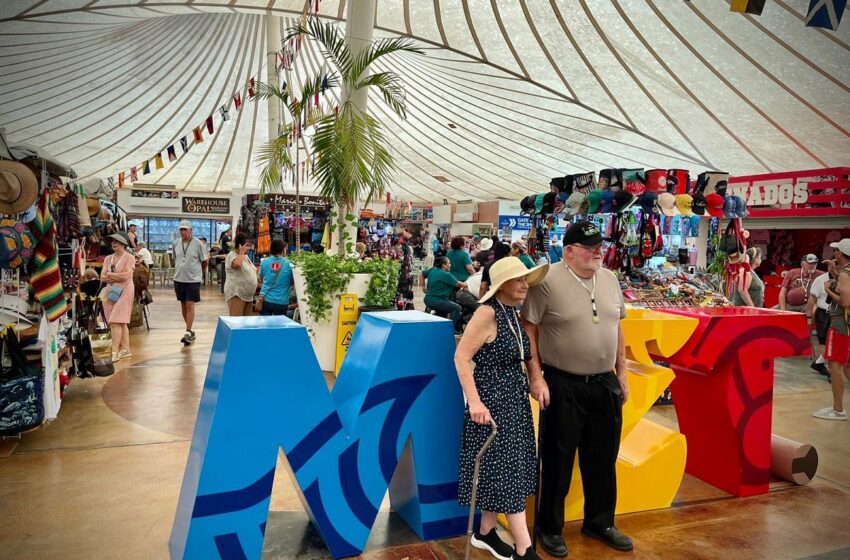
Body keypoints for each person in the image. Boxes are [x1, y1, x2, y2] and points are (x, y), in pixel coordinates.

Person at [521, 220, 633, 556]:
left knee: (603, 458)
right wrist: (536, 376)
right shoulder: (547, 281)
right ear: (569, 251)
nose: (598, 251)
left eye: (599, 246)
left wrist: (622, 372)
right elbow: (530, 329)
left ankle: (600, 522)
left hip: (604, 383)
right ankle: (550, 528)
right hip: (562, 382)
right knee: (558, 458)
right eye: (589, 247)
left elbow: (617, 327)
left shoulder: (610, 279)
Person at [455, 257, 549, 560]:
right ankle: (524, 547)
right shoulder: (486, 313)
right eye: (518, 280)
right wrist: (475, 402)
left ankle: (485, 531)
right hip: (492, 403)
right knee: (505, 473)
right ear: (500, 286)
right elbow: (461, 358)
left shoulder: (511, 312)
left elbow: (526, 352)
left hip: (514, 401)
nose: (524, 285)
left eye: (525, 280)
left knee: (509, 468)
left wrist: (537, 379)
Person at [813, 238, 850, 421]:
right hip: (846, 326)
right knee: (847, 366)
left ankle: (838, 409)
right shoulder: (844, 273)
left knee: (835, 365)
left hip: (840, 326)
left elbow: (845, 302)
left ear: (841, 254)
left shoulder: (846, 275)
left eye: (836, 251)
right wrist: (834, 274)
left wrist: (827, 290)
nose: (833, 253)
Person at [100, 232, 135, 361]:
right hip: (111, 291)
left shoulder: (129, 258)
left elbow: (127, 276)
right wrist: (115, 276)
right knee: (121, 322)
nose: (113, 243)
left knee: (115, 321)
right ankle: (126, 349)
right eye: (112, 241)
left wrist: (110, 275)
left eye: (117, 241)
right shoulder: (108, 258)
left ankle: (114, 351)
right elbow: (102, 277)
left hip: (125, 290)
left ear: (123, 244)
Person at [173, 220, 208, 345]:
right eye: (181, 230)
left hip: (193, 280)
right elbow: (175, 259)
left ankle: (188, 331)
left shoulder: (198, 244)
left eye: (185, 230)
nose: (183, 232)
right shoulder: (176, 243)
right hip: (178, 279)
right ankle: (190, 330)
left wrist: (200, 274)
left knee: (189, 304)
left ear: (191, 231)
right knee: (183, 305)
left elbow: (205, 261)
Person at [422, 256, 468, 334]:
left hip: (428, 299)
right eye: (449, 263)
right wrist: (466, 285)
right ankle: (451, 330)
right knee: (457, 308)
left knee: (444, 311)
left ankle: (439, 329)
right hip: (438, 300)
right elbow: (458, 284)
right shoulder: (446, 275)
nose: (450, 265)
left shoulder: (433, 270)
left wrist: (423, 286)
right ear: (443, 265)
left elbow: (421, 273)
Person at [808, 253, 834, 378]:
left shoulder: (845, 278)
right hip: (824, 315)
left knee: (833, 345)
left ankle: (818, 363)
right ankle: (831, 373)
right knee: (829, 344)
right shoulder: (820, 279)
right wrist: (809, 317)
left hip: (839, 314)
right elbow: (811, 300)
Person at [224, 232, 258, 316]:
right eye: (247, 245)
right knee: (237, 322)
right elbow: (236, 265)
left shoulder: (246, 256)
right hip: (236, 294)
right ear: (240, 245)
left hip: (248, 295)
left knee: (246, 324)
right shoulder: (232, 255)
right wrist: (241, 252)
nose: (249, 248)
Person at [258, 240, 294, 316]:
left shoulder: (264, 262)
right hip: (281, 301)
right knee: (279, 326)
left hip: (266, 299)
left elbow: (260, 278)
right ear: (283, 250)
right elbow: (291, 281)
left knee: (265, 325)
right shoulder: (289, 264)